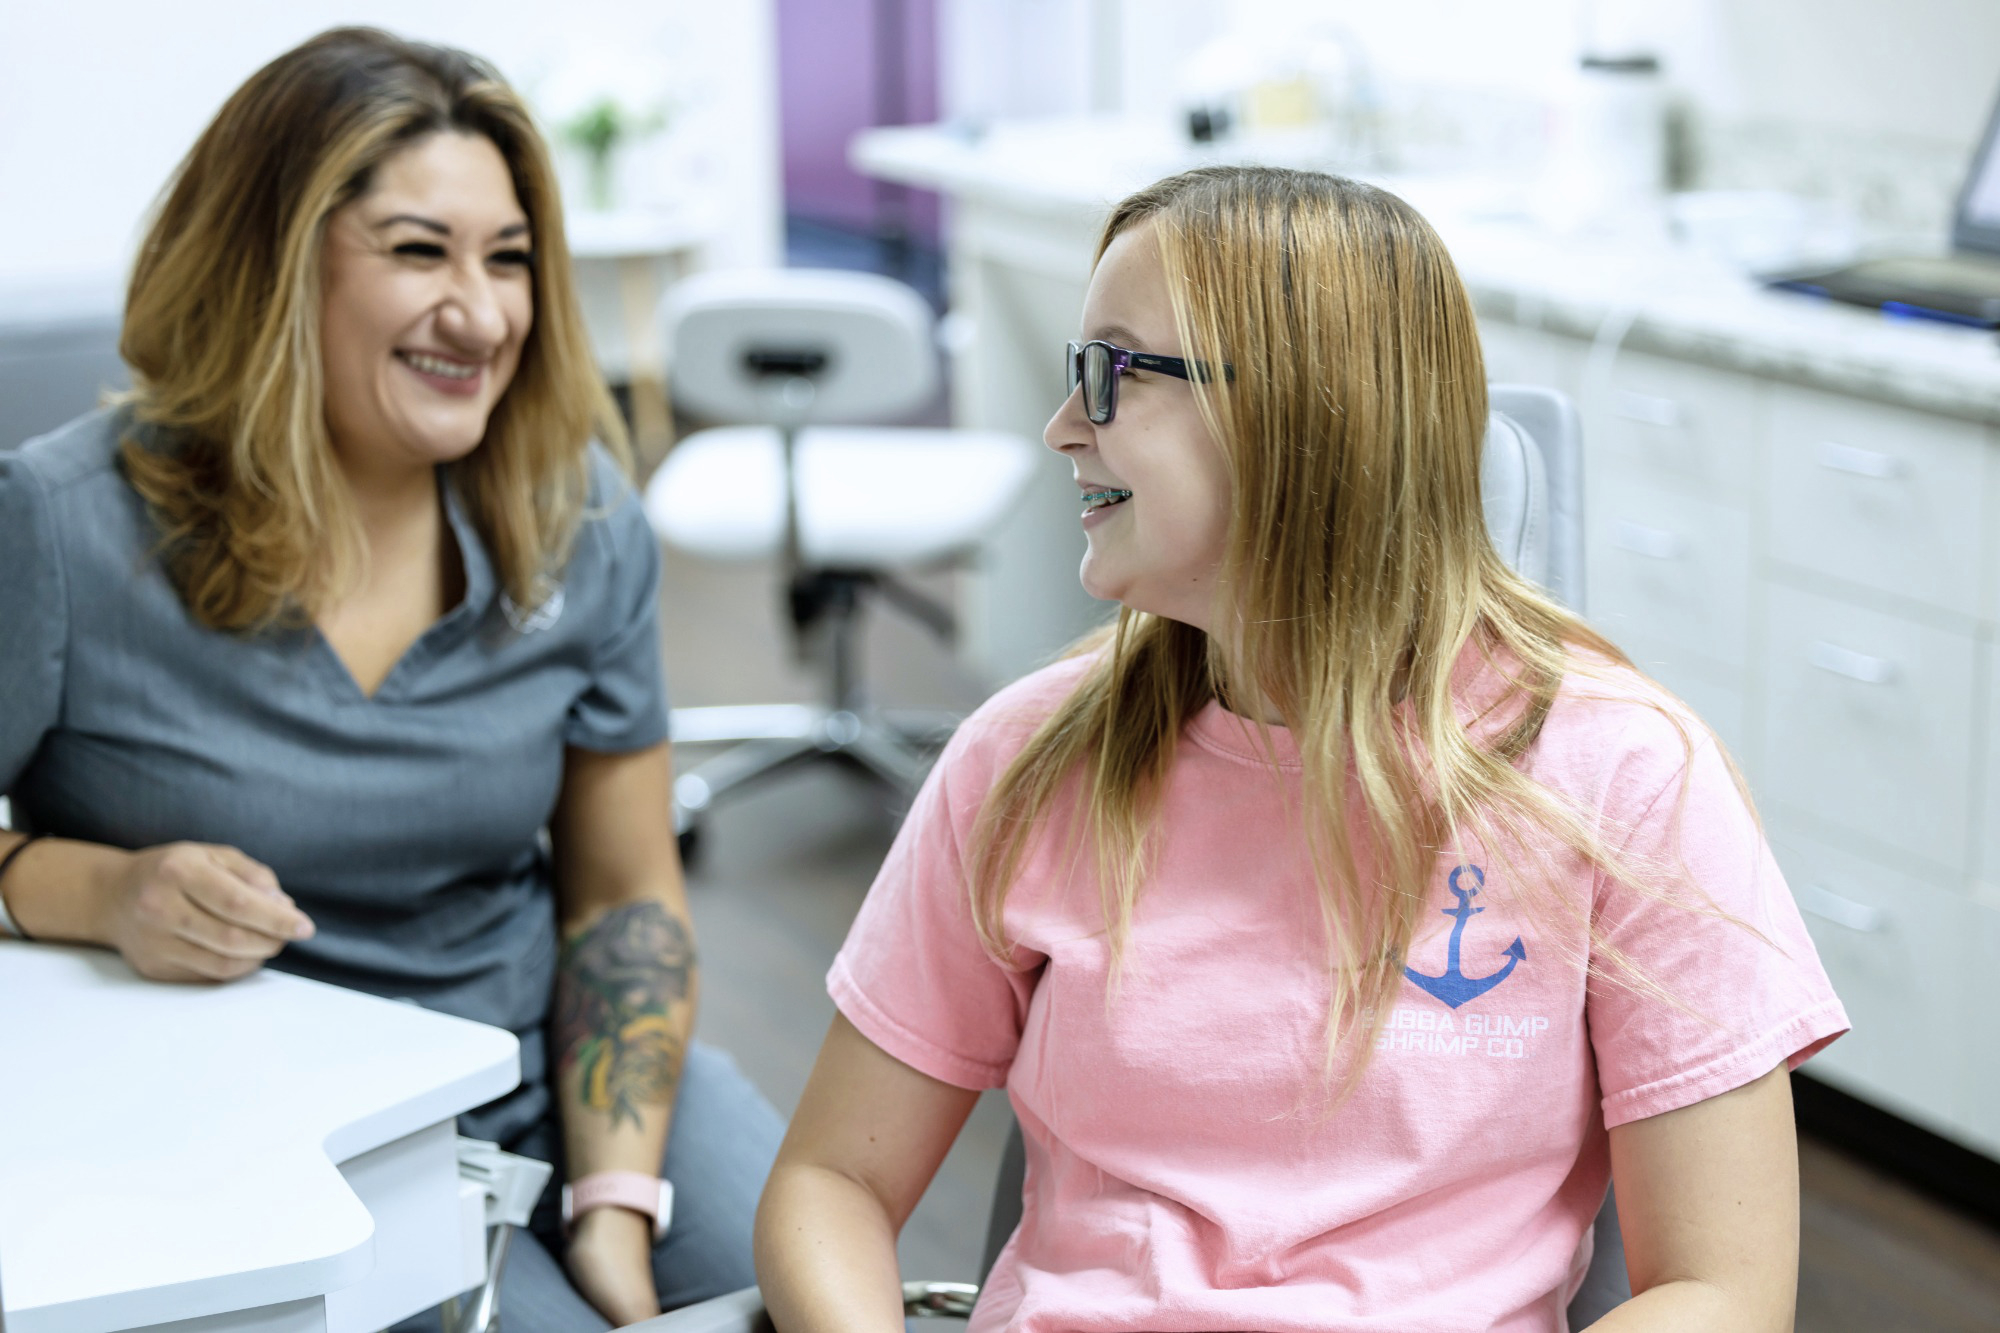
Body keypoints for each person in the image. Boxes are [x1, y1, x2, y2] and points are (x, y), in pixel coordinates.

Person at [755, 166, 1848, 1333]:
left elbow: (1719, 1292)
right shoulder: (1025, 758)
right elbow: (834, 1181)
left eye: (1109, 373)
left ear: (1296, 410)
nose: (1061, 424)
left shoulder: (1623, 780)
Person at [0, 28, 782, 1330]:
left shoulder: (576, 517)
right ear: (269, 267)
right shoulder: (63, 524)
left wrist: (618, 1209)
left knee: (818, 1284)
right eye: (419, 251)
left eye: (510, 258)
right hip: (275, 1121)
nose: (480, 315)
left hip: (552, 1059)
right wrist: (98, 889)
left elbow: (624, 897)